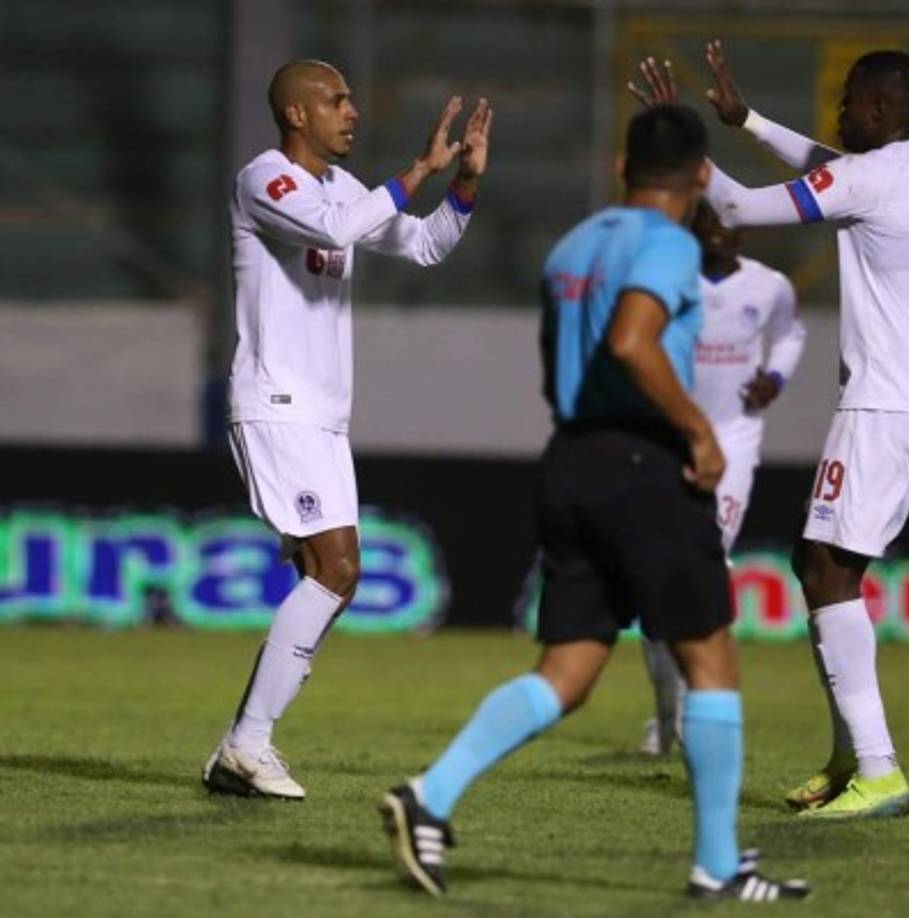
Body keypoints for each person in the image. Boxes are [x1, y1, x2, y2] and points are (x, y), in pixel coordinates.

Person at [377, 104, 809, 903]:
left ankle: (429, 795)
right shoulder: (670, 245)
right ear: (700, 176)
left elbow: (562, 362)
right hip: (645, 462)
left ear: (621, 168)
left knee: (568, 671)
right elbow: (630, 342)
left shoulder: (573, 245)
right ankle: (717, 864)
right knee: (710, 654)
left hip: (572, 458)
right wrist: (698, 434)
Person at [632, 43, 909, 820]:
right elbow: (831, 169)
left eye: (849, 100)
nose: (839, 112)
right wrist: (747, 121)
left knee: (825, 573)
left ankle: (877, 771)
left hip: (883, 403)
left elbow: (743, 208)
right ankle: (851, 759)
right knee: (816, 560)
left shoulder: (868, 177)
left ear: (880, 109)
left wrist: (680, 140)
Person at [201, 60, 491, 800]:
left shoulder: (346, 189)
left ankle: (243, 748)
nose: (352, 111)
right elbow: (333, 229)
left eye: (353, 99)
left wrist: (462, 183)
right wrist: (417, 168)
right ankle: (247, 744)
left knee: (328, 577)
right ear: (297, 114)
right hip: (276, 399)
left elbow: (423, 246)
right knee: (337, 569)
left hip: (326, 415)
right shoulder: (263, 179)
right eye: (336, 101)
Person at [640, 199, 806, 757]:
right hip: (671, 440)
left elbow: (791, 335)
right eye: (709, 218)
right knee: (655, 586)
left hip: (734, 441)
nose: (719, 228)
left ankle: (694, 706)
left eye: (731, 220)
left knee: (705, 560)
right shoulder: (669, 281)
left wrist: (776, 378)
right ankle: (665, 713)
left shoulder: (770, 287)